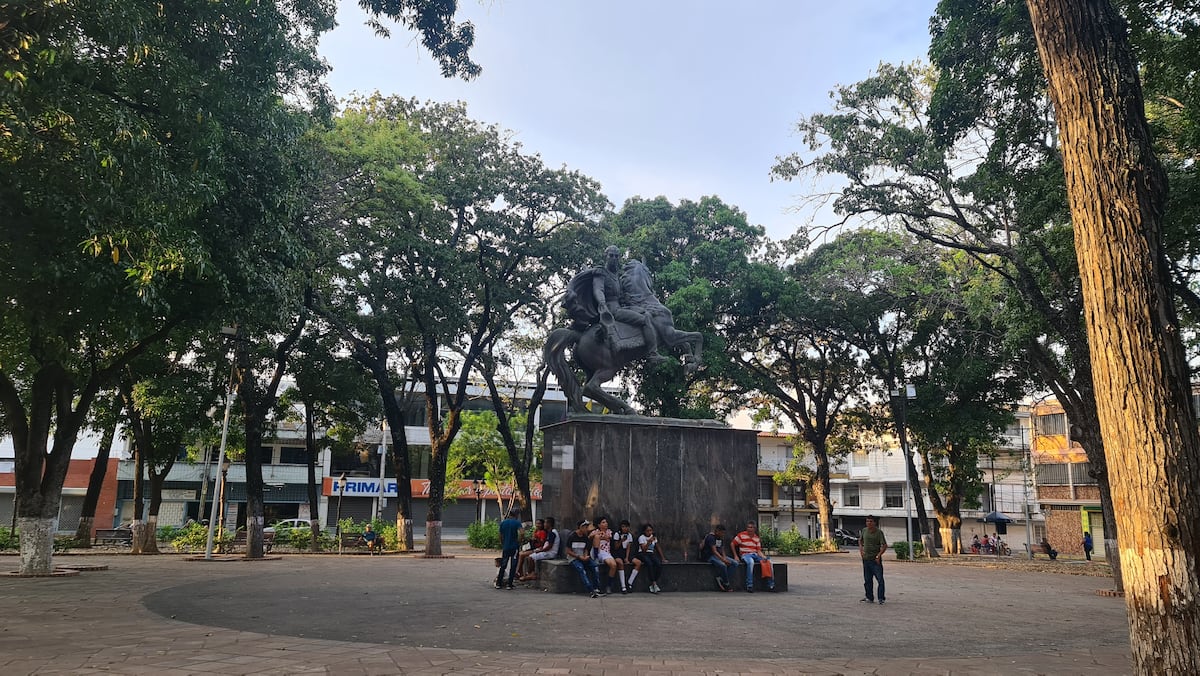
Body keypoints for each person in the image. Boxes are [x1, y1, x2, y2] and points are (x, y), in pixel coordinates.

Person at [562, 245, 662, 360]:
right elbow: (598, 289)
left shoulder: (616, 277)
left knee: (647, 313)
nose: (614, 258)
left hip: (620, 307)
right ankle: (652, 353)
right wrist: (602, 303)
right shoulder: (601, 272)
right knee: (645, 320)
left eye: (616, 256)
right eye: (611, 256)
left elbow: (621, 296)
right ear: (606, 256)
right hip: (612, 310)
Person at [732, 521, 775, 592]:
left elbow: (758, 551)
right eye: (748, 527)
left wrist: (763, 557)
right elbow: (732, 544)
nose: (749, 529)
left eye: (751, 527)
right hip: (745, 554)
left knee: (768, 561)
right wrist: (735, 556)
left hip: (755, 554)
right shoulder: (741, 535)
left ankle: (771, 585)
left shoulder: (756, 538)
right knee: (750, 562)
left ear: (754, 529)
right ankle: (749, 585)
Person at [591, 516, 628, 594]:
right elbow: (590, 536)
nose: (606, 524)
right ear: (599, 525)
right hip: (597, 551)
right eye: (603, 522)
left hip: (605, 552)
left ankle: (609, 585)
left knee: (613, 565)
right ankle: (596, 558)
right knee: (597, 537)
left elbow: (608, 538)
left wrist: (603, 536)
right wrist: (598, 535)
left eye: (606, 522)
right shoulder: (596, 531)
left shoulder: (609, 531)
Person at [565, 519, 602, 598]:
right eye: (585, 527)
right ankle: (590, 590)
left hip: (583, 556)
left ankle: (596, 588)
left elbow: (586, 549)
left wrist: (585, 556)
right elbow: (568, 551)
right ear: (581, 527)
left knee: (594, 566)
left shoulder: (585, 537)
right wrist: (578, 556)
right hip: (574, 558)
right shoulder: (572, 536)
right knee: (581, 569)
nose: (587, 529)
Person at [859, 515, 888, 605]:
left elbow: (884, 545)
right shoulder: (864, 530)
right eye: (867, 521)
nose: (869, 523)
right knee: (867, 580)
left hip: (875, 561)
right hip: (866, 559)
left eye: (871, 521)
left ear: (874, 523)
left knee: (880, 580)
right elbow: (860, 541)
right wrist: (861, 550)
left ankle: (881, 598)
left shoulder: (879, 533)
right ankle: (869, 597)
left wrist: (878, 555)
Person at [700, 524, 738, 591]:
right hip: (710, 556)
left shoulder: (721, 538)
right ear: (717, 531)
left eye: (724, 533)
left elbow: (722, 549)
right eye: (722, 533)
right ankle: (726, 584)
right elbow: (714, 551)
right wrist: (723, 560)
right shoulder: (710, 537)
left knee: (735, 563)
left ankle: (721, 579)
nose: (723, 534)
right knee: (723, 565)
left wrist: (724, 558)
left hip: (719, 555)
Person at [635, 523, 668, 593]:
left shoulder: (653, 537)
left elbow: (658, 547)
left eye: (651, 530)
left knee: (658, 564)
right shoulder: (641, 538)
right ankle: (654, 584)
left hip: (651, 554)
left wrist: (663, 558)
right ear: (644, 531)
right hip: (642, 554)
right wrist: (649, 541)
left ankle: (654, 582)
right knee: (649, 564)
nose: (649, 532)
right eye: (648, 531)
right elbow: (643, 549)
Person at [495, 508, 523, 590]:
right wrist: (519, 541)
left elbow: (500, 535)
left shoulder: (503, 523)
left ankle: (499, 583)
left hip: (506, 547)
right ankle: (509, 584)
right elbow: (522, 533)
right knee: (513, 565)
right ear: (516, 515)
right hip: (514, 547)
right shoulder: (517, 523)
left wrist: (503, 543)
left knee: (503, 565)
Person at [612, 520, 639, 591]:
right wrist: (621, 540)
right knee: (620, 563)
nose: (625, 528)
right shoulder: (617, 534)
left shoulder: (629, 535)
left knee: (638, 563)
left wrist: (627, 558)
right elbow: (616, 547)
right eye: (623, 527)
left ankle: (629, 583)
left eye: (626, 527)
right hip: (617, 553)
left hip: (626, 553)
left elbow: (628, 548)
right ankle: (623, 586)